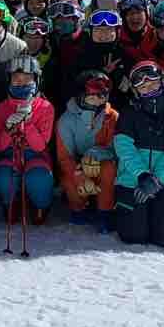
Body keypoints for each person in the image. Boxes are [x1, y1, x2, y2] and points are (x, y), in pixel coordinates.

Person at [112, 61, 164, 248]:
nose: (149, 88)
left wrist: (157, 179)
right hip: (132, 180)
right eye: (142, 85)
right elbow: (123, 147)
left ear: (162, 82)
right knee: (133, 235)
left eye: (153, 82)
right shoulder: (128, 114)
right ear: (135, 90)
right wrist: (142, 175)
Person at [0, 55, 54, 224]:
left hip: (35, 155)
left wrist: (28, 123)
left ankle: (40, 205)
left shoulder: (45, 107)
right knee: (4, 176)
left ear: (36, 80)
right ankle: (11, 202)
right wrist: (8, 129)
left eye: (27, 79)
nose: (21, 83)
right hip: (10, 154)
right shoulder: (3, 107)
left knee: (38, 177)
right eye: (16, 79)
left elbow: (41, 146)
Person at [56, 70, 119, 231]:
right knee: (69, 180)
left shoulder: (111, 117)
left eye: (102, 95)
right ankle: (78, 209)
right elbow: (64, 157)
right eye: (92, 96)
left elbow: (115, 148)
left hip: (101, 163)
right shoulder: (66, 120)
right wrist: (80, 175)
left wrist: (95, 154)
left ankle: (105, 212)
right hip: (76, 166)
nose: (97, 100)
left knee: (109, 169)